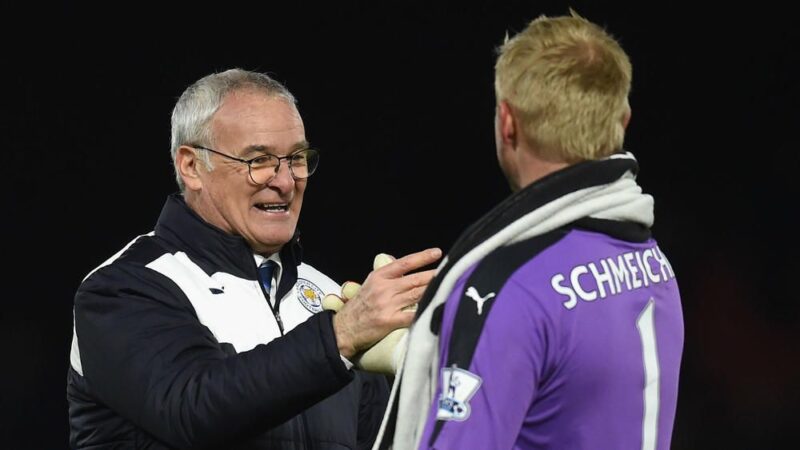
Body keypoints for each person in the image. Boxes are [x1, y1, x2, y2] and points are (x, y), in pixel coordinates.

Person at [67, 68, 441, 449]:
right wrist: (340, 337)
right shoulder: (123, 288)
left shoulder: (329, 296)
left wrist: (422, 372)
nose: (285, 181)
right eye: (258, 161)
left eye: (296, 157)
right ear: (192, 166)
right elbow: (192, 409)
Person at [374, 11, 684, 450]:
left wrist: (469, 334)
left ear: (507, 122)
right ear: (624, 120)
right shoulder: (651, 262)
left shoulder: (507, 289)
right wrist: (428, 358)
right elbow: (570, 395)